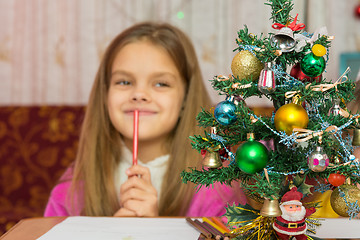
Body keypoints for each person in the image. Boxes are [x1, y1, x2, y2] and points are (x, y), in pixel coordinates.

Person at [44, 22, 246, 218]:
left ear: (185, 98)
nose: (139, 94)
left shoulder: (217, 187)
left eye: (161, 83)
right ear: (104, 94)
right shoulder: (72, 189)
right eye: (124, 81)